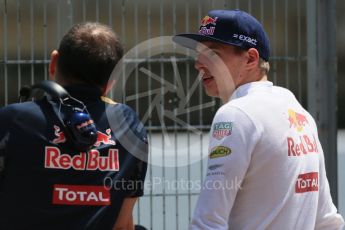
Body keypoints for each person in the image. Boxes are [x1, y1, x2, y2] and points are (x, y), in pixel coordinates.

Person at [173, 9, 345, 229]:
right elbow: (327, 220)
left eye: (213, 54)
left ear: (251, 59)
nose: (199, 63)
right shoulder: (298, 112)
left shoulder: (236, 114)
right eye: (199, 54)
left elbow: (207, 222)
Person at [0, 22, 148, 230]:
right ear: (113, 80)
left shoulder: (12, 120)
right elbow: (122, 225)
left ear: (53, 63)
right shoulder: (128, 124)